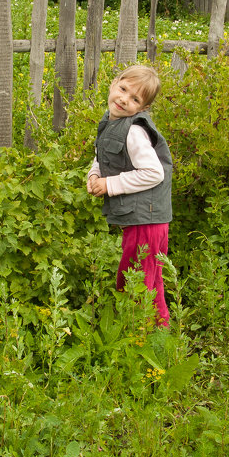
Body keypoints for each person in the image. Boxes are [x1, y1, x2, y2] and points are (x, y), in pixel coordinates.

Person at [86, 65, 173, 327]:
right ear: (114, 83)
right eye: (123, 90)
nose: (124, 99)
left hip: (146, 221)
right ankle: (158, 331)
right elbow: (104, 156)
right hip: (143, 219)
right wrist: (94, 174)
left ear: (143, 108)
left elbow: (153, 173)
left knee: (134, 279)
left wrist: (110, 185)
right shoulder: (112, 121)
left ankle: (144, 333)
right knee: (149, 277)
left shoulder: (134, 130)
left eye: (135, 99)